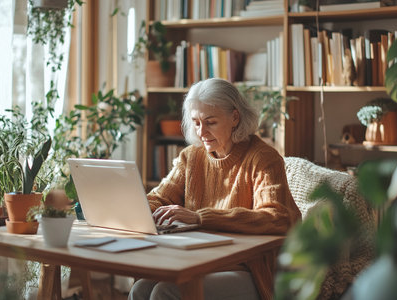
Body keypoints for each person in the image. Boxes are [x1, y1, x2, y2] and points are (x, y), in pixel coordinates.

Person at [129, 78, 301, 300]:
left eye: (210, 122)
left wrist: (200, 218)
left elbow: (275, 217)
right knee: (140, 288)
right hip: (201, 260)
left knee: (166, 292)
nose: (201, 132)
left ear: (234, 118)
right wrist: (138, 210)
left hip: (254, 269)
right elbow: (160, 197)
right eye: (196, 122)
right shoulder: (191, 157)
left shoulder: (263, 159)